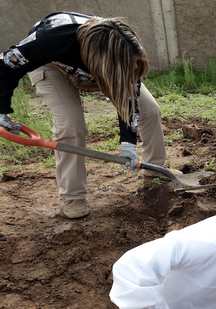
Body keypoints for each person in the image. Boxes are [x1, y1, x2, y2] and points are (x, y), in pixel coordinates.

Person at [0, 12, 176, 219]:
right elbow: (6, 64)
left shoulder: (127, 46)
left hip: (106, 67)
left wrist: (128, 144)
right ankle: (73, 196)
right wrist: (1, 110)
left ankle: (156, 168)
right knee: (71, 126)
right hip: (53, 67)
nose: (136, 68)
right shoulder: (52, 39)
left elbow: (130, 97)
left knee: (150, 110)